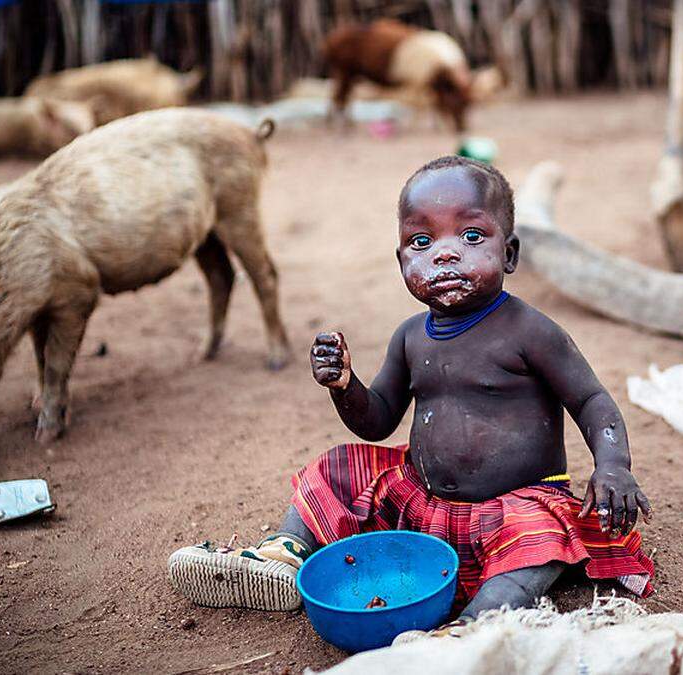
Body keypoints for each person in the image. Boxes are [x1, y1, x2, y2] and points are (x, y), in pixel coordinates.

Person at [167, 156, 654, 632]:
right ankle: (282, 553)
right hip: (423, 503)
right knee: (341, 465)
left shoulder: (531, 332)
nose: (444, 253)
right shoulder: (409, 336)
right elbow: (378, 420)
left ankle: (473, 626)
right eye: (422, 240)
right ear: (401, 259)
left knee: (538, 543)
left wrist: (613, 466)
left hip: (515, 509)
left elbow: (592, 402)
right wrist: (344, 386)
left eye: (470, 235)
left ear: (509, 253)